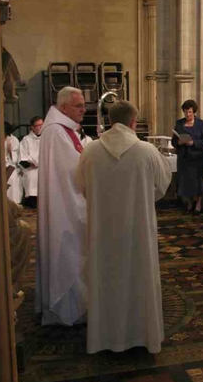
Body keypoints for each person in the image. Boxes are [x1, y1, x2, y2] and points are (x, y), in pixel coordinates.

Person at [76, 101, 172, 354]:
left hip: (102, 231)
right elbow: (161, 187)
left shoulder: (90, 151)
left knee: (105, 278)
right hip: (138, 229)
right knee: (139, 276)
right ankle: (143, 336)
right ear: (133, 122)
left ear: (109, 121)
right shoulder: (147, 151)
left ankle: (103, 338)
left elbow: (82, 186)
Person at [36, 86, 87, 326]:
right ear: (64, 107)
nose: (84, 110)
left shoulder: (63, 130)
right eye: (79, 106)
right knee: (68, 251)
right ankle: (67, 310)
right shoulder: (56, 132)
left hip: (65, 199)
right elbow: (74, 169)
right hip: (65, 205)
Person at [172, 100, 203, 215]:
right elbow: (174, 141)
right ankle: (189, 203)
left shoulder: (202, 124)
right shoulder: (179, 123)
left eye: (190, 112)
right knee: (185, 181)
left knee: (197, 181)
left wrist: (193, 143)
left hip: (198, 157)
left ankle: (198, 203)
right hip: (184, 158)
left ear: (194, 112)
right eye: (185, 112)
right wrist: (178, 142)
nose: (188, 114)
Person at [19, 116, 43, 208]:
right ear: (32, 127)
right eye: (38, 125)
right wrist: (30, 163)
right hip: (32, 168)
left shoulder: (48, 137)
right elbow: (22, 156)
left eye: (42, 124)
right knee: (31, 176)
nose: (41, 127)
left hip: (45, 167)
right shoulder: (26, 139)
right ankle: (32, 202)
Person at [4, 121, 23, 204]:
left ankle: (14, 202)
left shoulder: (13, 140)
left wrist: (10, 151)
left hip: (11, 165)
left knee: (13, 177)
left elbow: (14, 158)